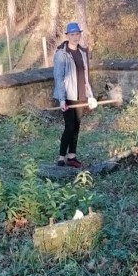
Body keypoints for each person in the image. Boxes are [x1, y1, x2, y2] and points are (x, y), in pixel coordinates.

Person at [53, 21, 98, 168]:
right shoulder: (62, 54)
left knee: (77, 126)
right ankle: (61, 157)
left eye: (77, 34)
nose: (75, 37)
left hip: (80, 96)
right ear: (67, 35)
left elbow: (86, 76)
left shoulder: (83, 53)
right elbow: (58, 77)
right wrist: (61, 99)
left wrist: (90, 95)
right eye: (72, 34)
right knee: (69, 127)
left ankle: (72, 156)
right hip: (67, 97)